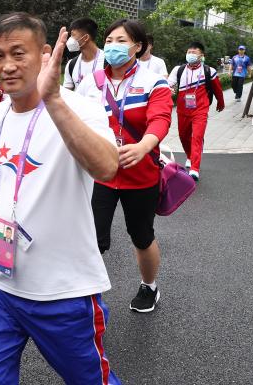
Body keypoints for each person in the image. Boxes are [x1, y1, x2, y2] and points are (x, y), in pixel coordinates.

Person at [0, 12, 121, 384]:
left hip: (63, 290)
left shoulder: (79, 107)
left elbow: (107, 167)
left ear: (46, 54)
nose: (7, 65)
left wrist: (53, 100)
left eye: (19, 53)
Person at [77, 19, 173, 313]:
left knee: (142, 236)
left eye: (121, 40)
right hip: (101, 174)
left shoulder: (153, 81)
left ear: (137, 46)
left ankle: (149, 287)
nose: (112, 46)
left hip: (140, 174)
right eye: (109, 40)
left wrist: (145, 146)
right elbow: (75, 119)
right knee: (93, 238)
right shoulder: (91, 81)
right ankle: (85, 294)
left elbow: (160, 118)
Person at [168, 41, 225, 180]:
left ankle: (195, 168)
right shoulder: (179, 70)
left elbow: (217, 89)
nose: (191, 54)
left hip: (200, 109)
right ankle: (190, 156)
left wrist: (221, 102)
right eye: (189, 52)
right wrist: (168, 90)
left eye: (194, 52)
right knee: (183, 136)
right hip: (182, 110)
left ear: (202, 55)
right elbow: (167, 85)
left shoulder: (208, 71)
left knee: (197, 137)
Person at [63, 17, 105, 91]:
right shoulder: (71, 64)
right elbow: (66, 93)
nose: (70, 39)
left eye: (73, 35)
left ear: (85, 37)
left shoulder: (108, 62)